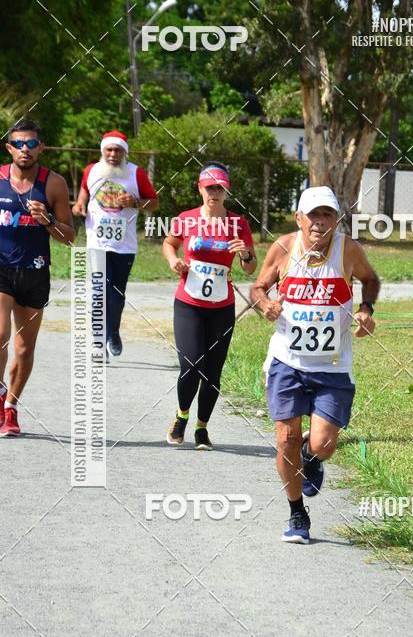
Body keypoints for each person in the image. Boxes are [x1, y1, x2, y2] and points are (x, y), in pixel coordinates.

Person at [250, 185, 379, 544]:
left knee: (322, 444)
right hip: (287, 361)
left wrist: (366, 310)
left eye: (328, 215)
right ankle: (296, 514)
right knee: (285, 438)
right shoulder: (283, 248)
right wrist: (265, 305)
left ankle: (312, 457)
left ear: (336, 220)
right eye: (314, 215)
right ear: (299, 219)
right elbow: (258, 287)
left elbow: (370, 279)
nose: (320, 223)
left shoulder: (347, 249)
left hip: (333, 365)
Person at [162, 162, 256, 450]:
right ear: (200, 188)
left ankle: (202, 428)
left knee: (213, 371)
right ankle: (181, 416)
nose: (214, 192)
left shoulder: (238, 223)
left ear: (226, 190)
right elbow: (169, 243)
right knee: (191, 364)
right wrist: (172, 260)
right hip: (189, 303)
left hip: (221, 306)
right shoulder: (187, 219)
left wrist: (246, 254)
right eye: (209, 187)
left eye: (219, 187)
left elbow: (250, 268)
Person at [0, 119, 74, 437]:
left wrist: (46, 220)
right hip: (1, 270)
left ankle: (11, 407)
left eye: (31, 144)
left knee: (24, 349)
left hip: (35, 272)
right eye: (18, 144)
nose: (25, 149)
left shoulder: (54, 184)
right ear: (9, 148)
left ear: (40, 148)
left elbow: (69, 236)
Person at [73, 130, 158, 358]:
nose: (112, 154)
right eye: (109, 149)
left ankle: (114, 331)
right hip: (97, 242)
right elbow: (84, 191)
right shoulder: (92, 170)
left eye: (117, 150)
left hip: (124, 245)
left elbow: (154, 203)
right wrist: (79, 205)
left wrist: (136, 201)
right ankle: (98, 342)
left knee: (116, 294)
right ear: (103, 151)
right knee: (100, 291)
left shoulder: (135, 173)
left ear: (124, 152)